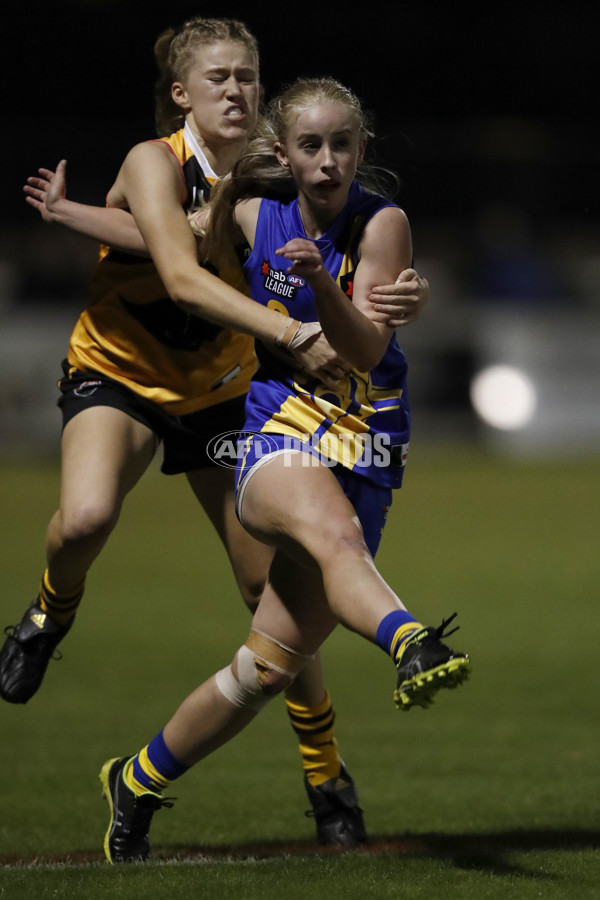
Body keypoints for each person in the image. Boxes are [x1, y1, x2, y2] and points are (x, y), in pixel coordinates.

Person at [1, 18, 429, 847]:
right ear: (180, 94)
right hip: (120, 370)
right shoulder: (150, 161)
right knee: (86, 519)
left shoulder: (274, 165)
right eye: (220, 77)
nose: (237, 90)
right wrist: (291, 335)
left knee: (268, 590)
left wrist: (403, 290)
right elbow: (180, 272)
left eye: (249, 76)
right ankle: (50, 615)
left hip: (223, 389)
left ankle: (325, 776)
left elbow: (349, 243)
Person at [97, 76, 470, 864]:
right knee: (334, 535)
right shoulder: (245, 213)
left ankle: (134, 779)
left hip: (367, 442)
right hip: (275, 432)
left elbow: (364, 351)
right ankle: (412, 643)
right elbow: (170, 246)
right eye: (311, 146)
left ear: (362, 149)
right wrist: (70, 217)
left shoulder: (383, 223)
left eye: (343, 144)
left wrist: (318, 286)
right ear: (287, 154)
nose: (328, 161)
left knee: (263, 671)